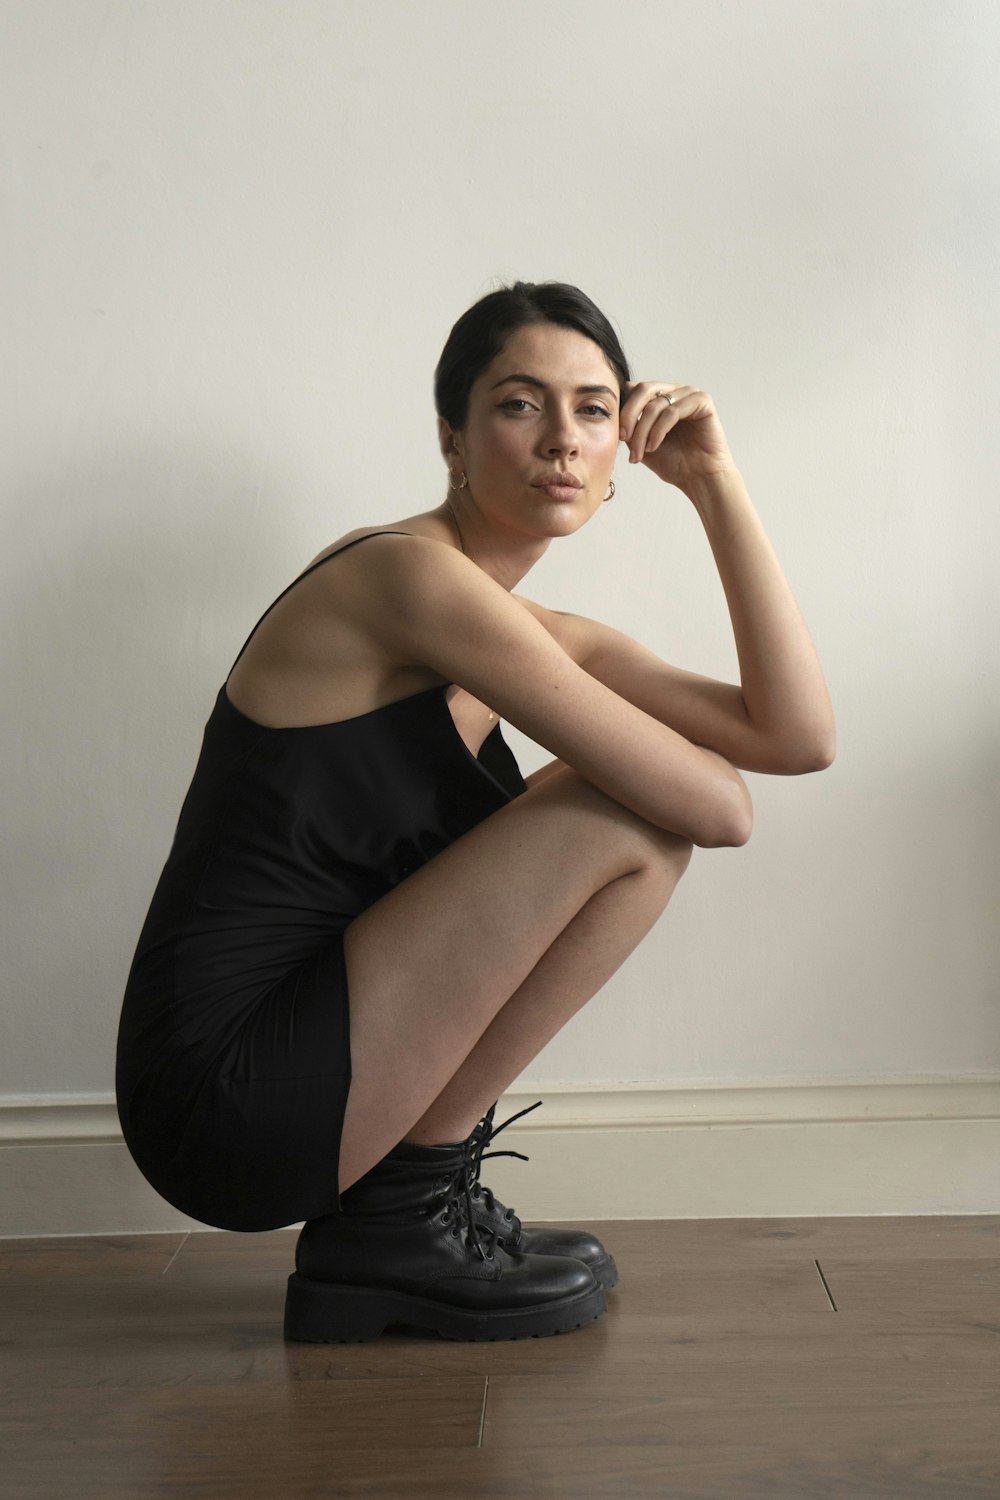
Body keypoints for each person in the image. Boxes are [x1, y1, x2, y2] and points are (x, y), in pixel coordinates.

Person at [116, 280, 835, 1344]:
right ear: (451, 438)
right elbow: (718, 807)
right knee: (621, 810)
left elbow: (797, 740)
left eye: (593, 409)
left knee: (633, 811)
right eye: (518, 404)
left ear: (618, 452)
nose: (561, 440)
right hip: (225, 1089)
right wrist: (674, 775)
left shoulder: (531, 627)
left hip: (314, 1066)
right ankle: (402, 1215)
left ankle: (400, 1216)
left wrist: (715, 483)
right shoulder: (406, 579)